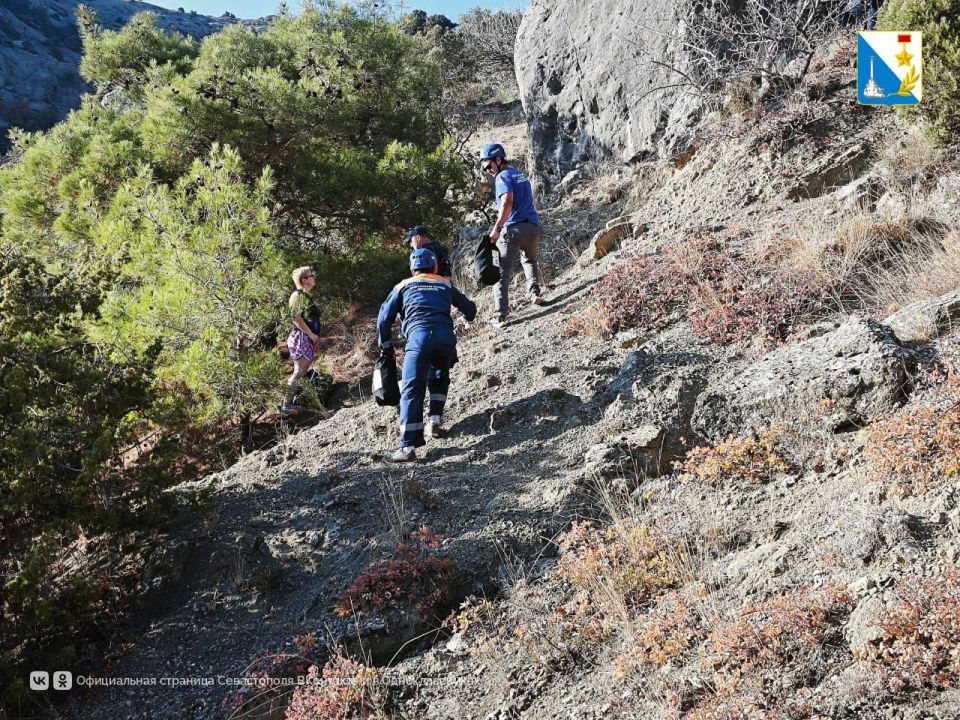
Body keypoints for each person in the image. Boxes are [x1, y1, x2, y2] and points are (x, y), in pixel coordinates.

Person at [377, 248, 477, 462]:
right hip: (445, 339)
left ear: (413, 269)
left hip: (419, 339)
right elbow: (470, 308)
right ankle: (435, 420)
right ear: (434, 266)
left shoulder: (403, 286)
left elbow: (384, 319)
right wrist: (465, 319)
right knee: (440, 374)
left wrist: (386, 347)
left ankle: (407, 448)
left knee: (412, 389)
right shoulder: (444, 283)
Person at [479, 143, 544, 326]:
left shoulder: (502, 177)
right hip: (533, 228)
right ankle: (535, 293)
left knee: (501, 273)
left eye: (488, 166)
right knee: (529, 260)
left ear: (498, 160)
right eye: (484, 168)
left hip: (513, 231)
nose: (488, 171)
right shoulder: (520, 174)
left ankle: (500, 315)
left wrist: (497, 228)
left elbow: (507, 203)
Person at [281, 266, 321, 415]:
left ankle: (295, 400)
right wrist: (310, 334)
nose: (313, 277)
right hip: (301, 337)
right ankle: (286, 405)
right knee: (299, 372)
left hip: (307, 337)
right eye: (311, 275)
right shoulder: (297, 295)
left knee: (302, 371)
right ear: (304, 280)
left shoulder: (305, 295)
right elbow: (296, 318)